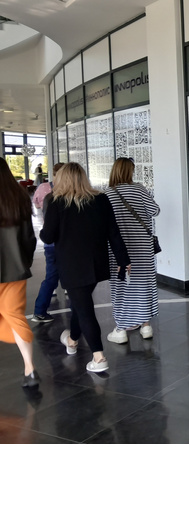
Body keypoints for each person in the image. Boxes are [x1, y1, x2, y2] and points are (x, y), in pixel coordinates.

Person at [40, 162, 131, 373]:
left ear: (62, 179)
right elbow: (113, 232)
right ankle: (72, 340)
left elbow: (48, 236)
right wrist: (123, 259)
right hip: (96, 263)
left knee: (84, 308)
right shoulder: (100, 199)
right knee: (80, 305)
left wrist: (45, 229)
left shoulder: (56, 202)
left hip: (72, 266)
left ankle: (99, 357)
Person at [104, 157, 160, 343]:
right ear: (130, 171)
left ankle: (121, 329)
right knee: (143, 284)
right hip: (142, 246)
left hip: (118, 247)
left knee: (122, 285)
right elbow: (155, 211)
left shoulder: (108, 193)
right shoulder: (139, 189)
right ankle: (146, 326)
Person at [0, 157, 40, 387]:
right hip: (15, 270)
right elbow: (29, 238)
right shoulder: (19, 198)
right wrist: (24, 261)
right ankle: (29, 368)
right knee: (15, 316)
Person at [31, 162, 65, 323]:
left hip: (50, 240)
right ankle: (40, 310)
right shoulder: (68, 191)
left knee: (51, 275)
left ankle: (40, 311)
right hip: (65, 241)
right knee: (66, 274)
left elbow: (37, 204)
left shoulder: (44, 188)